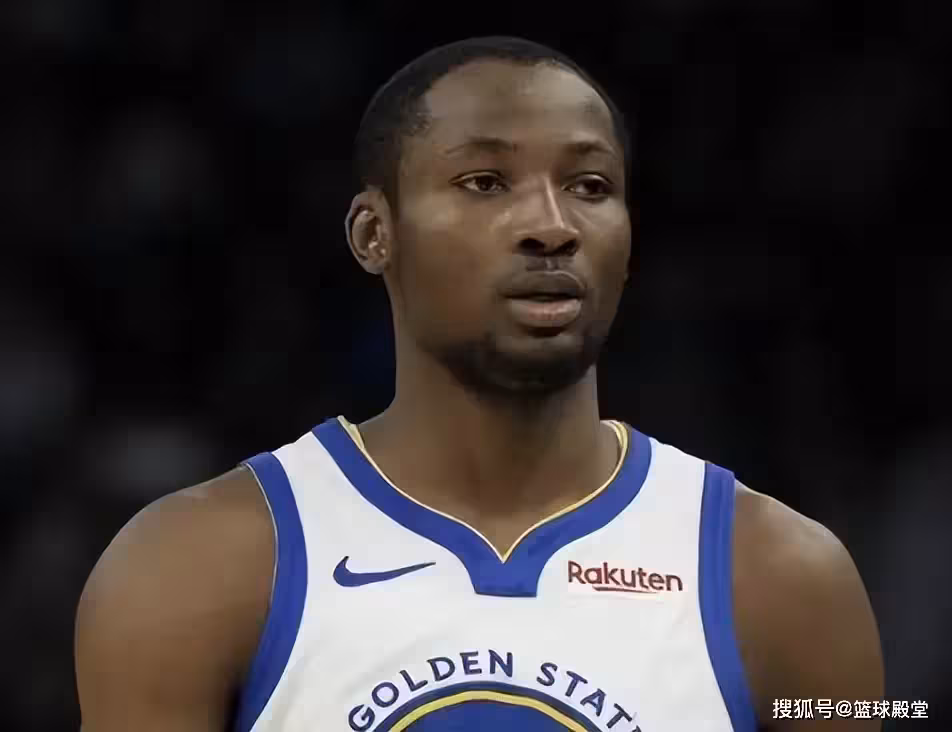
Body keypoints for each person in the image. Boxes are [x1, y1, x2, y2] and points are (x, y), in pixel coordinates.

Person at [74, 36, 884, 731]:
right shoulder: (193, 565)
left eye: (590, 187)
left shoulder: (788, 579)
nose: (552, 226)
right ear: (373, 232)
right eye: (485, 182)